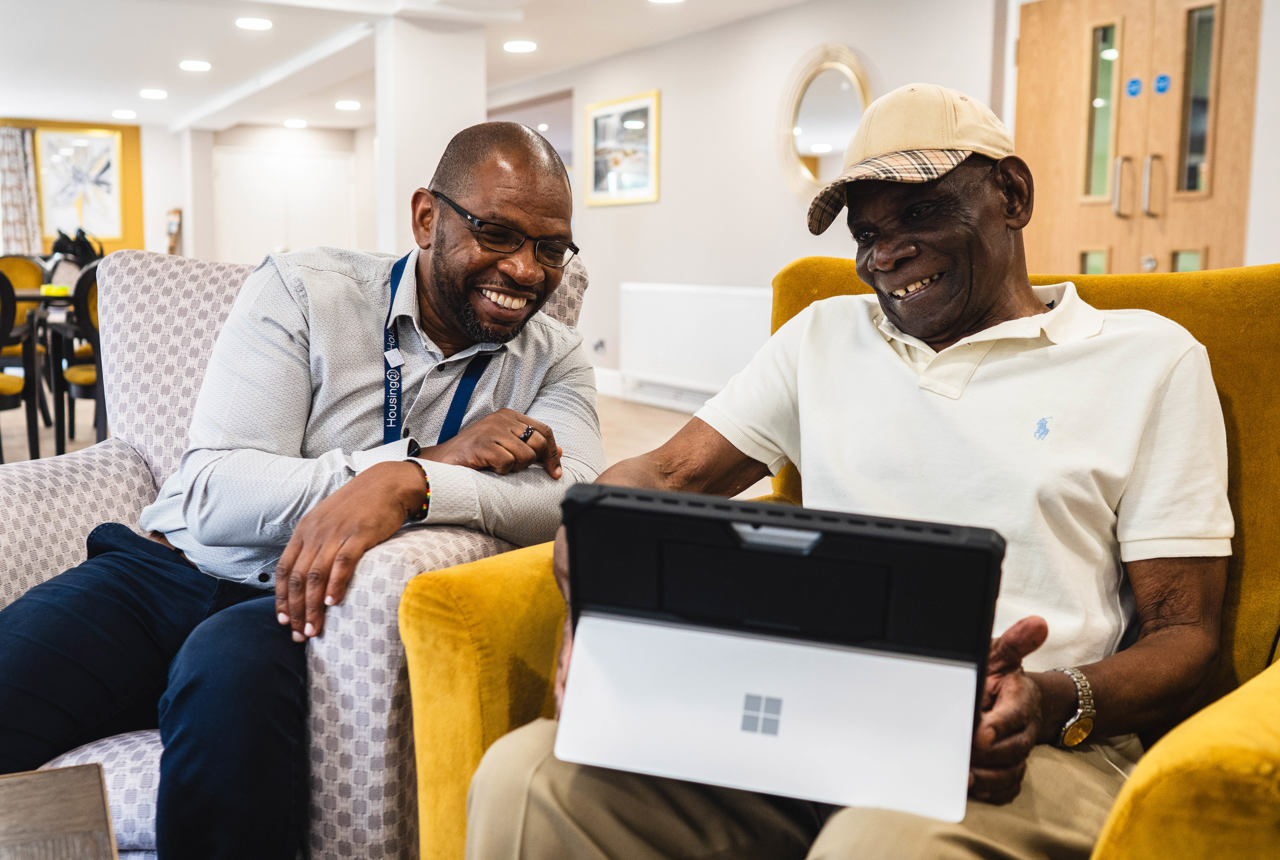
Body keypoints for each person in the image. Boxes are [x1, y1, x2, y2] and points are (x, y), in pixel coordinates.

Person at [464, 84, 1233, 859]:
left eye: (921, 213)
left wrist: (1044, 699)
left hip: (1030, 750)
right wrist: (596, 537)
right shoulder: (825, 335)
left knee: (876, 843)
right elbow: (669, 471)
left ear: (1013, 194)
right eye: (866, 233)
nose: (884, 254)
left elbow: (1186, 634)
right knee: (523, 776)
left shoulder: (1149, 360)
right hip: (801, 722)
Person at [0, 121, 605, 859]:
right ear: (427, 217)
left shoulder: (555, 359)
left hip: (300, 606)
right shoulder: (306, 290)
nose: (525, 270)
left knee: (227, 687)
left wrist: (412, 485)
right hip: (162, 572)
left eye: (550, 249)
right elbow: (219, 488)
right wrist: (409, 460)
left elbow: (574, 496)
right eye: (498, 234)